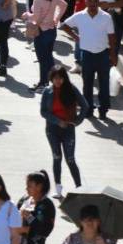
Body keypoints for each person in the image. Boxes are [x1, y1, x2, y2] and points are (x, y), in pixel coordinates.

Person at [60, 0, 116, 120]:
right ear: (86, 2)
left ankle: (103, 109)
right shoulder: (79, 16)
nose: (92, 4)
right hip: (87, 55)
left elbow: (112, 37)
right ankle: (88, 109)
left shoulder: (106, 17)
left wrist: (113, 55)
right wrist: (76, 37)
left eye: (95, 1)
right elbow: (64, 25)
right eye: (90, 1)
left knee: (104, 84)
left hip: (103, 55)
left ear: (98, 2)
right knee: (87, 84)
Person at [40, 66, 89, 198]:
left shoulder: (71, 89)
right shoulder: (47, 92)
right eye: (55, 78)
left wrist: (77, 121)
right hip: (52, 130)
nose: (58, 81)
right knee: (57, 157)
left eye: (60, 78)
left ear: (64, 78)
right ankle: (58, 187)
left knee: (70, 159)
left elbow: (85, 106)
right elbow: (43, 112)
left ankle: (79, 188)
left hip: (68, 129)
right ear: (51, 78)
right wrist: (57, 121)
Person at [27, 0, 68, 91]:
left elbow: (36, 18)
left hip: (41, 32)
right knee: (48, 58)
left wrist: (27, 15)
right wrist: (56, 18)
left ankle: (44, 83)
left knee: (43, 59)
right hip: (52, 31)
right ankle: (51, 82)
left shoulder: (37, 0)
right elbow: (64, 5)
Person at [16, 170, 56, 244]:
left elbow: (45, 230)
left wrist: (28, 217)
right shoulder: (23, 200)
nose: (26, 188)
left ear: (39, 186)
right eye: (26, 186)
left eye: (29, 186)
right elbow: (13, 219)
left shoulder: (47, 205)